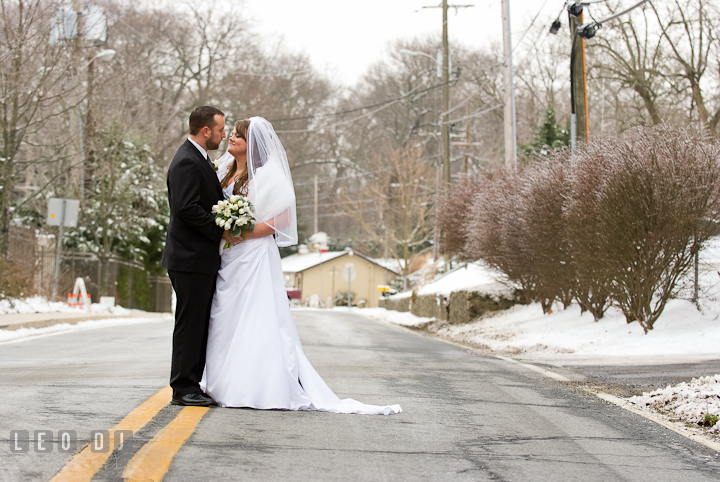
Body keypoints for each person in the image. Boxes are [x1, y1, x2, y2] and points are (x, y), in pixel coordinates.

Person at [200, 117, 401, 415]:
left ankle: (255, 384)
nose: (231, 138)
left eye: (238, 136)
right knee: (226, 316)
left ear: (252, 144)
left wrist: (241, 232)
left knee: (256, 316)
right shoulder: (226, 171)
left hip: (254, 254)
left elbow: (279, 221)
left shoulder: (268, 175)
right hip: (229, 256)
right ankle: (220, 381)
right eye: (231, 134)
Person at [161, 106, 242, 407]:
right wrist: (220, 229)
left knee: (197, 323)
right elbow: (185, 208)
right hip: (189, 259)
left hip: (197, 259)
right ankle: (183, 388)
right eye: (221, 129)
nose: (224, 135)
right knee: (190, 324)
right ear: (205, 130)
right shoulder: (186, 161)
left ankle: (191, 383)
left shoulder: (198, 158)